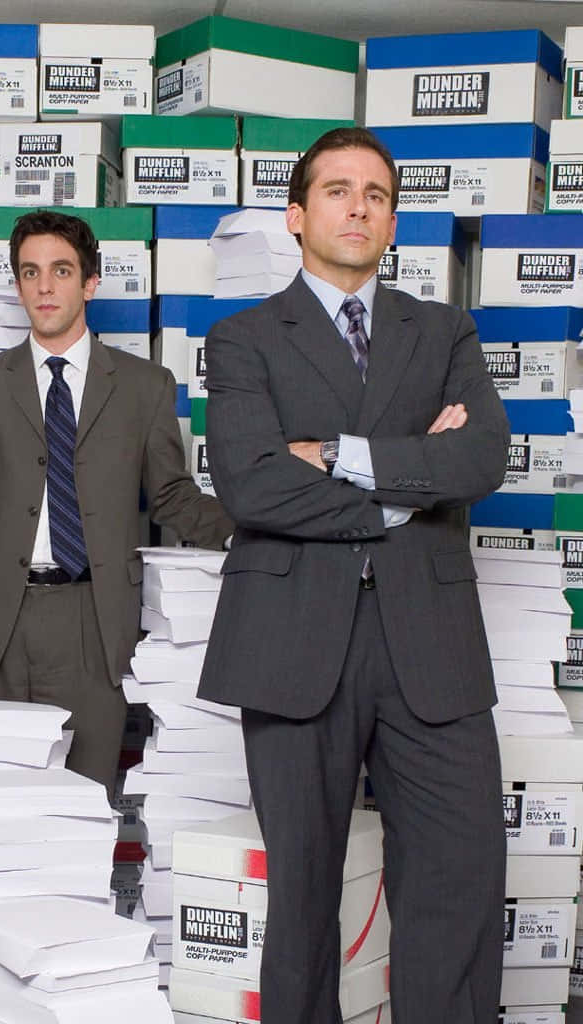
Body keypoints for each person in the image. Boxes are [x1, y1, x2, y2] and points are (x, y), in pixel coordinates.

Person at [198, 127, 509, 1023]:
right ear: (297, 216)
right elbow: (253, 483)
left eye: (375, 193)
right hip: (295, 643)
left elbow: (481, 458)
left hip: (432, 645)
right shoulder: (245, 337)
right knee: (299, 899)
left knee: (458, 883)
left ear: (393, 220)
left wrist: (337, 455)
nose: (357, 206)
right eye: (336, 190)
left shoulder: (446, 330)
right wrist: (407, 489)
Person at [0, 210, 232, 789]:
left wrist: (246, 530)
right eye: (30, 272)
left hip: (96, 621)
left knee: (86, 806)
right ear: (16, 286)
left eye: (61, 271)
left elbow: (170, 495)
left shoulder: (145, 386)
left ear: (90, 282)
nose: (44, 286)